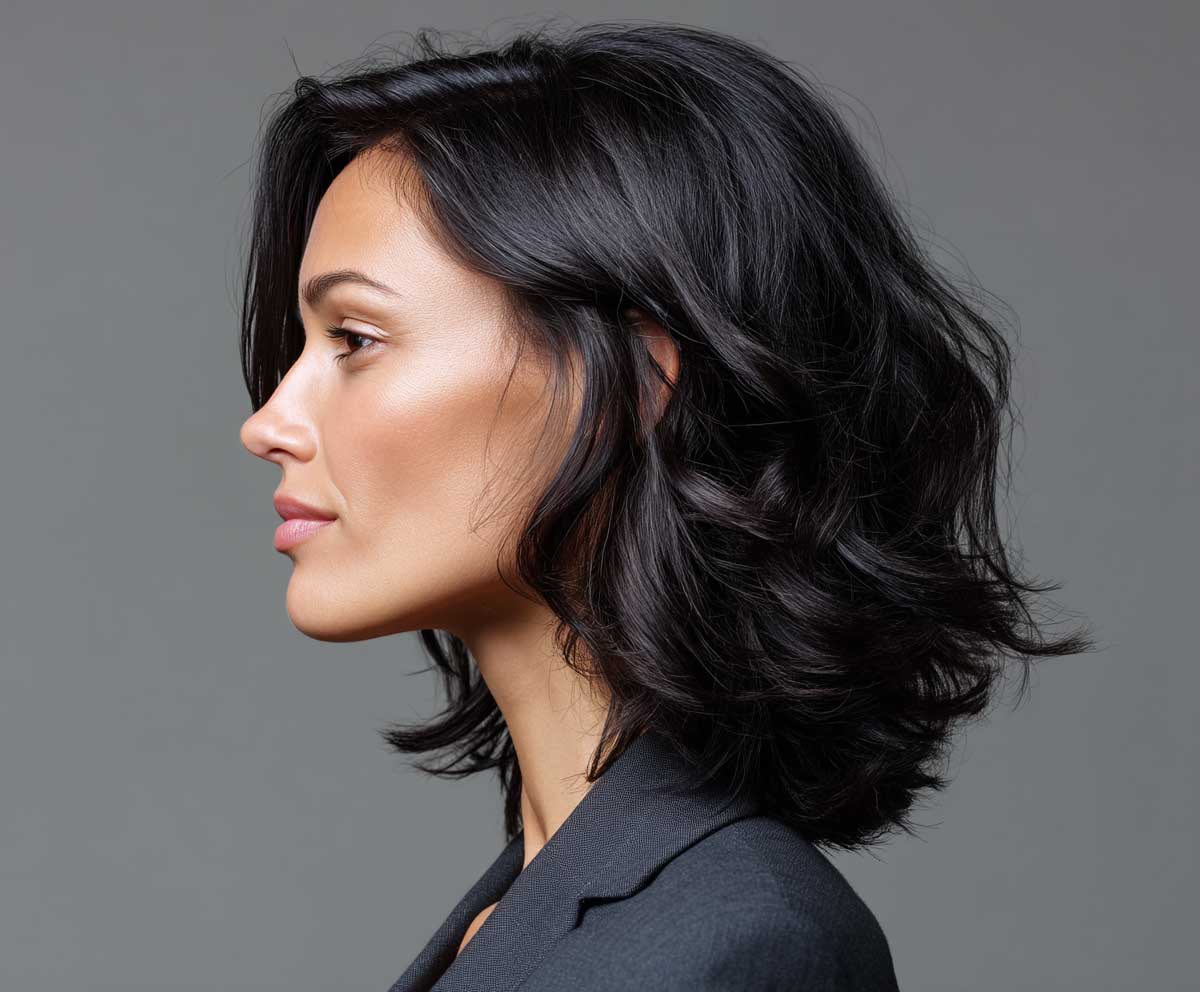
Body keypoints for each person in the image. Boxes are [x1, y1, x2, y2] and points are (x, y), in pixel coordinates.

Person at [238, 20, 1091, 991]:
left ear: (639, 376)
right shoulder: (536, 911)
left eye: (353, 338)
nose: (269, 420)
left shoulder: (740, 945)